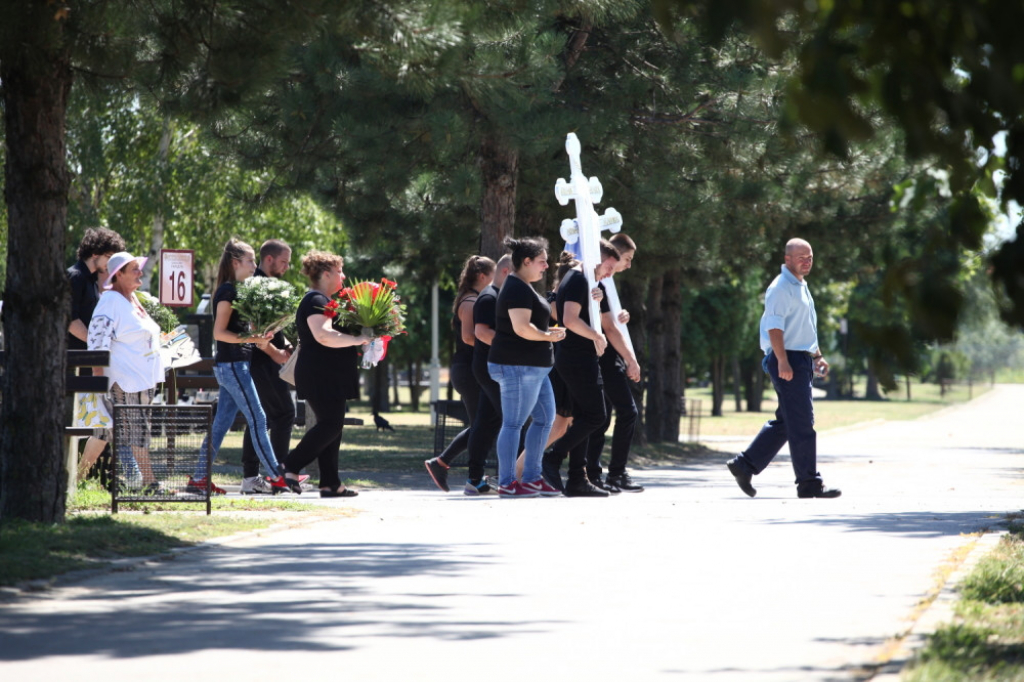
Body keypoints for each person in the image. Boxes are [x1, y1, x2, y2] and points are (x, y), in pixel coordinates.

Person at [726, 238, 842, 499]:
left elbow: (803, 327)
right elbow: (774, 328)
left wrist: (817, 355)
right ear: (787, 258)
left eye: (810, 256)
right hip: (786, 358)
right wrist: (783, 361)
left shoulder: (800, 286)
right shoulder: (780, 288)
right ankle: (809, 484)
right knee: (802, 423)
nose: (807, 261)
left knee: (787, 422)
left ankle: (744, 464)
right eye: (801, 256)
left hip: (799, 357)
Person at [187, 238, 291, 495]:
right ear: (235, 263)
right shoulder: (227, 291)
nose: (254, 265)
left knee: (221, 424)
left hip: (235, 365)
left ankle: (199, 479)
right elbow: (219, 333)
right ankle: (277, 476)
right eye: (250, 261)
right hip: (232, 366)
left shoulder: (240, 291)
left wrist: (264, 333)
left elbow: (240, 330)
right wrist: (252, 339)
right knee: (259, 418)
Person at [281, 251, 369, 497]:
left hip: (329, 373)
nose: (344, 276)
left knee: (332, 426)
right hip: (320, 373)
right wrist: (358, 339)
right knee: (331, 424)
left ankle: (330, 483)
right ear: (326, 274)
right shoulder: (316, 300)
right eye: (340, 271)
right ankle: (289, 465)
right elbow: (323, 335)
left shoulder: (324, 300)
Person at [542, 240, 621, 497]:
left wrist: (596, 300)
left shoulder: (586, 280)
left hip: (578, 356)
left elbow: (581, 314)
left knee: (583, 417)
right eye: (610, 265)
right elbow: (569, 320)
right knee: (596, 417)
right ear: (599, 257)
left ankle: (577, 477)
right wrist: (597, 336)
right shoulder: (578, 279)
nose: (611, 271)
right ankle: (552, 459)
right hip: (576, 357)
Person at [488, 237, 565, 498]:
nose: (546, 266)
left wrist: (546, 333)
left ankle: (532, 478)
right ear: (527, 261)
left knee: (545, 420)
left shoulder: (524, 287)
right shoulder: (517, 289)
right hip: (517, 367)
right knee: (513, 424)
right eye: (542, 261)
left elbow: (530, 325)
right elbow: (521, 328)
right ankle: (507, 482)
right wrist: (548, 337)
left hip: (533, 367)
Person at [82, 252, 164, 492]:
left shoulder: (132, 299)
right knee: (138, 430)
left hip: (140, 379)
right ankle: (150, 484)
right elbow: (97, 341)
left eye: (140, 268)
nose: (141, 273)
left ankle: (75, 481)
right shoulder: (110, 302)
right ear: (118, 275)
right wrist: (99, 377)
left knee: (103, 432)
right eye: (135, 270)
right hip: (124, 380)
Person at [424, 255, 496, 492]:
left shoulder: (473, 299)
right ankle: (459, 470)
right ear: (482, 276)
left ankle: (443, 463)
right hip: (467, 369)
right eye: (493, 274)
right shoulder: (470, 301)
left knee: (482, 424)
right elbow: (468, 337)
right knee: (482, 424)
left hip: (469, 368)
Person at [239, 239, 297, 494]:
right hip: (259, 361)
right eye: (283, 262)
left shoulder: (269, 285)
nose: (286, 267)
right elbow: (256, 329)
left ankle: (254, 476)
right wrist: (275, 352)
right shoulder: (257, 286)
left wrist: (286, 345)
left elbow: (273, 327)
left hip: (262, 361)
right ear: (270, 259)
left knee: (260, 419)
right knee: (282, 414)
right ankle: (277, 475)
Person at [68, 227, 125, 477]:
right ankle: (79, 477)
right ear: (97, 253)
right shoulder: (76, 277)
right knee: (92, 423)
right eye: (110, 256)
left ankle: (88, 476)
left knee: (100, 423)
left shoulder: (91, 280)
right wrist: (97, 345)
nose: (111, 263)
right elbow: (70, 321)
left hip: (86, 360)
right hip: (74, 361)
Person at [590, 233, 644, 492]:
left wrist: (620, 316)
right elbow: (607, 328)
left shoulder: (608, 283)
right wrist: (631, 359)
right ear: (613, 256)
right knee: (624, 412)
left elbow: (610, 320)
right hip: (607, 357)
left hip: (612, 356)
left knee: (604, 418)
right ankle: (614, 473)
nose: (628, 265)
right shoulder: (599, 281)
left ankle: (598, 473)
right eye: (627, 259)